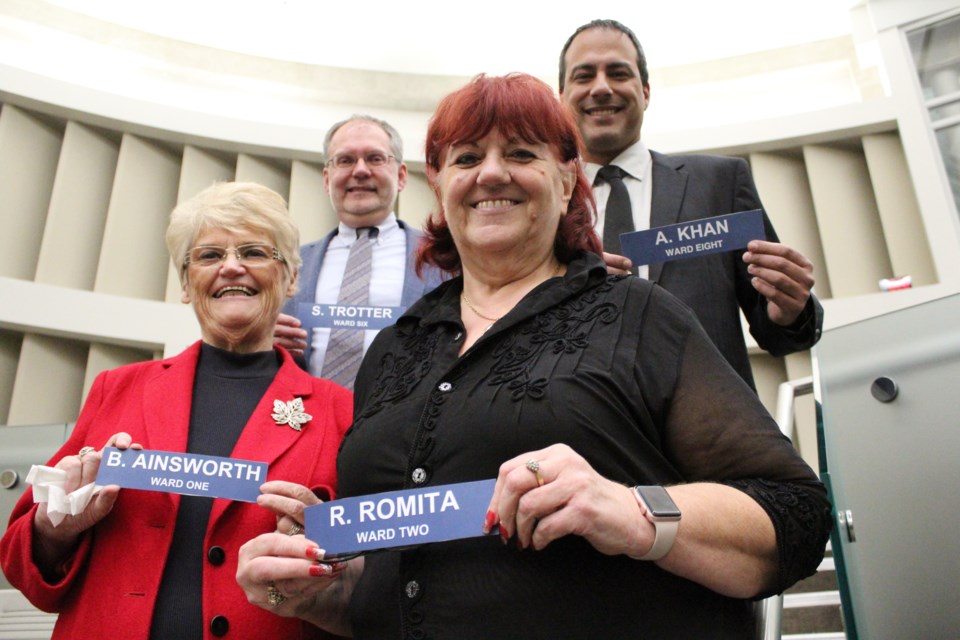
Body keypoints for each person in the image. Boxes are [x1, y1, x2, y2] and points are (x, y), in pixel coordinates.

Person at [235, 74, 831, 639]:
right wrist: (319, 592)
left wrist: (632, 511)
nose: (491, 174)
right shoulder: (394, 350)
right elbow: (398, 581)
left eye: (521, 154)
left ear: (568, 180)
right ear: (439, 185)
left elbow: (796, 516)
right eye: (467, 159)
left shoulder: (639, 315)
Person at [0, 182, 354, 639]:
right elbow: (20, 562)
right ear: (186, 284)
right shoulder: (117, 388)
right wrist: (55, 527)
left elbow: (369, 579)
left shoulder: (340, 410)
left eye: (253, 251)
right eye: (208, 256)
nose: (231, 266)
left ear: (289, 278)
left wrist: (327, 545)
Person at [559, 19, 823, 389]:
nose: (601, 88)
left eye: (618, 73)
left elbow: (779, 334)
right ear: (561, 97)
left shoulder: (720, 182)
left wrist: (791, 310)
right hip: (586, 435)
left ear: (646, 91)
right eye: (584, 76)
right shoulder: (542, 206)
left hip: (712, 430)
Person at [275, 115, 444, 389]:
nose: (361, 170)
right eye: (345, 160)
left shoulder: (444, 258)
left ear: (401, 176)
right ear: (327, 179)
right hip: (307, 418)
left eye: (375, 158)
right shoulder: (289, 264)